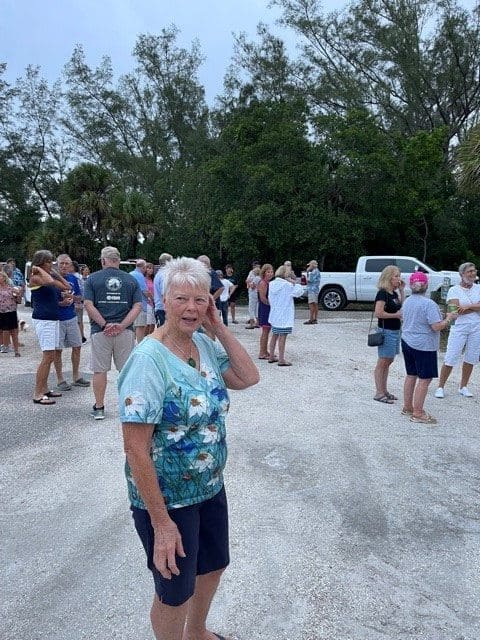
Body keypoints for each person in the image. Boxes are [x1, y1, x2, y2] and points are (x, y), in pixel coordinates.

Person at [118, 256, 259, 640]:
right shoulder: (148, 360)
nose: (191, 308)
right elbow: (135, 449)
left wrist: (219, 328)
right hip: (168, 500)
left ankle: (196, 633)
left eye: (200, 299)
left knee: (212, 567)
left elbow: (248, 377)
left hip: (209, 487)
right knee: (175, 591)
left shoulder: (203, 344)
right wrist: (161, 523)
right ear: (163, 301)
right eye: (181, 299)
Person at [83, 246, 142, 419]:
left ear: (103, 260)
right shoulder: (131, 280)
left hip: (100, 331)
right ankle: (128, 407)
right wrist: (122, 325)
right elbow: (137, 306)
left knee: (100, 371)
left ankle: (99, 407)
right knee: (126, 370)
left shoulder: (92, 279)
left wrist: (104, 324)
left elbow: (88, 304)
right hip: (125, 331)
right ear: (118, 260)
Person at [401, 271, 457, 425]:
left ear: (411, 285)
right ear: (426, 285)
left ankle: (408, 407)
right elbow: (436, 327)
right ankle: (418, 413)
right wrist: (449, 318)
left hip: (407, 341)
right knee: (425, 379)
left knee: (411, 375)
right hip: (424, 345)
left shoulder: (407, 301)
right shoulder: (429, 304)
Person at [29, 250, 71, 405]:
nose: (51, 264)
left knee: (51, 355)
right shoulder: (35, 277)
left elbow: (66, 286)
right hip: (43, 319)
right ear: (40, 262)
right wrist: (40, 270)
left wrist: (55, 273)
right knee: (47, 357)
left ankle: (45, 388)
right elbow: (48, 282)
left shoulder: (50, 276)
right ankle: (38, 393)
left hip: (52, 319)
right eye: (48, 261)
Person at [434, 262, 480, 398]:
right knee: (451, 356)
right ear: (462, 274)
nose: (472, 273)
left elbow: (463, 308)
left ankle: (463, 386)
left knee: (471, 357)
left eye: (474, 271)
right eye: (469, 271)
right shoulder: (454, 290)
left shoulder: (478, 288)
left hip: (476, 326)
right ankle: (440, 386)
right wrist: (475, 307)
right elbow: (454, 310)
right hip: (459, 327)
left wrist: (467, 307)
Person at [52, 254, 90, 391]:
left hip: (71, 317)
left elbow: (79, 297)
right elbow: (46, 301)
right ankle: (60, 379)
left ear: (70, 265)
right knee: (58, 349)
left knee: (77, 346)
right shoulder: (51, 279)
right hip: (57, 319)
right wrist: (60, 303)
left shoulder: (73, 279)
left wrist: (71, 297)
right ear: (57, 264)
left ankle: (76, 376)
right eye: (61, 263)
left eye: (66, 263)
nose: (64, 266)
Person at [373, 265, 405, 404]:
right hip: (386, 331)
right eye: (396, 276)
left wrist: (402, 290)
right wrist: (395, 315)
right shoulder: (382, 293)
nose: (399, 278)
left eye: (399, 276)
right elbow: (378, 313)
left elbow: (401, 306)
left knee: (389, 360)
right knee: (383, 361)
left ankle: (384, 390)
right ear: (388, 278)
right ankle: (379, 392)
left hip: (395, 330)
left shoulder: (393, 294)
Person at [267, 264, 304, 366]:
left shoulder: (271, 284)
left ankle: (271, 356)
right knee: (283, 336)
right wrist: (294, 281)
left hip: (275, 314)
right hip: (285, 315)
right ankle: (281, 359)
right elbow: (298, 292)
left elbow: (270, 298)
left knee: (274, 335)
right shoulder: (287, 285)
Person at [0, 270, 21, 356]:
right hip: (1, 312)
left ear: (4, 278)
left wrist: (18, 295)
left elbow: (18, 301)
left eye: (0, 276)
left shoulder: (11, 288)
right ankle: (4, 346)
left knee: (14, 331)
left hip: (11, 311)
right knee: (3, 330)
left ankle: (16, 351)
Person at [257, 263, 274, 359]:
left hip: (268, 308)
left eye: (271, 272)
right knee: (265, 331)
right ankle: (262, 352)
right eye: (268, 272)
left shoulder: (268, 283)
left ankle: (265, 351)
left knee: (267, 331)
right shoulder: (263, 283)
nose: (270, 273)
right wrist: (272, 305)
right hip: (265, 309)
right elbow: (263, 298)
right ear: (264, 272)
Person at [130, 259, 149, 343]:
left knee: (133, 327)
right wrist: (152, 298)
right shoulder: (139, 276)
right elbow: (145, 291)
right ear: (143, 267)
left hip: (131, 304)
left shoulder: (130, 274)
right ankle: (140, 345)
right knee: (140, 326)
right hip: (140, 305)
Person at [154, 253, 173, 327]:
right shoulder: (164, 275)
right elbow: (164, 293)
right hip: (164, 309)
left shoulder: (158, 274)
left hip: (160, 307)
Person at [72, 260, 87, 344]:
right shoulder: (80, 277)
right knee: (79, 320)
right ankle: (82, 336)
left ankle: (79, 337)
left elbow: (79, 290)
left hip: (75, 301)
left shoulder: (74, 277)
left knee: (76, 321)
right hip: (80, 301)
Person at [304, 260, 321, 325]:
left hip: (312, 290)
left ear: (312, 265)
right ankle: (315, 319)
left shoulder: (313, 272)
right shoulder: (317, 271)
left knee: (311, 304)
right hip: (315, 290)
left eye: (309, 265)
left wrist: (307, 271)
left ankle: (311, 319)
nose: (309, 267)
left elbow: (309, 280)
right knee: (315, 304)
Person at [245, 264, 261, 329]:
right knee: (257, 308)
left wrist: (249, 284)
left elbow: (252, 286)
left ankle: (251, 324)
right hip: (258, 294)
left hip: (253, 293)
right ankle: (257, 323)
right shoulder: (260, 278)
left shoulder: (256, 278)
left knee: (251, 308)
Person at [145, 262, 156, 335]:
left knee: (153, 323)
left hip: (154, 303)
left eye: (152, 268)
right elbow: (145, 291)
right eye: (149, 268)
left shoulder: (153, 279)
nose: (151, 270)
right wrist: (151, 298)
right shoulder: (143, 279)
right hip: (147, 303)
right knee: (147, 324)